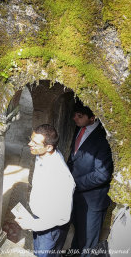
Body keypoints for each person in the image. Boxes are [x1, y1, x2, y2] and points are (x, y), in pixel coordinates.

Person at [15, 124, 75, 257]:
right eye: (31, 139)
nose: (30, 144)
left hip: (51, 229)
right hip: (40, 219)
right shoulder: (41, 154)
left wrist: (32, 224)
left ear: (49, 147)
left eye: (35, 143)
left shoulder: (61, 176)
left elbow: (63, 216)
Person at [66, 101, 113, 256]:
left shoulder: (103, 140)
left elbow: (102, 174)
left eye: (79, 116)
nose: (75, 118)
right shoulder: (80, 128)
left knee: (88, 241)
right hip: (78, 195)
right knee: (79, 231)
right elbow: (75, 157)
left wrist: (75, 183)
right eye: (75, 115)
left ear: (92, 118)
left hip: (92, 200)